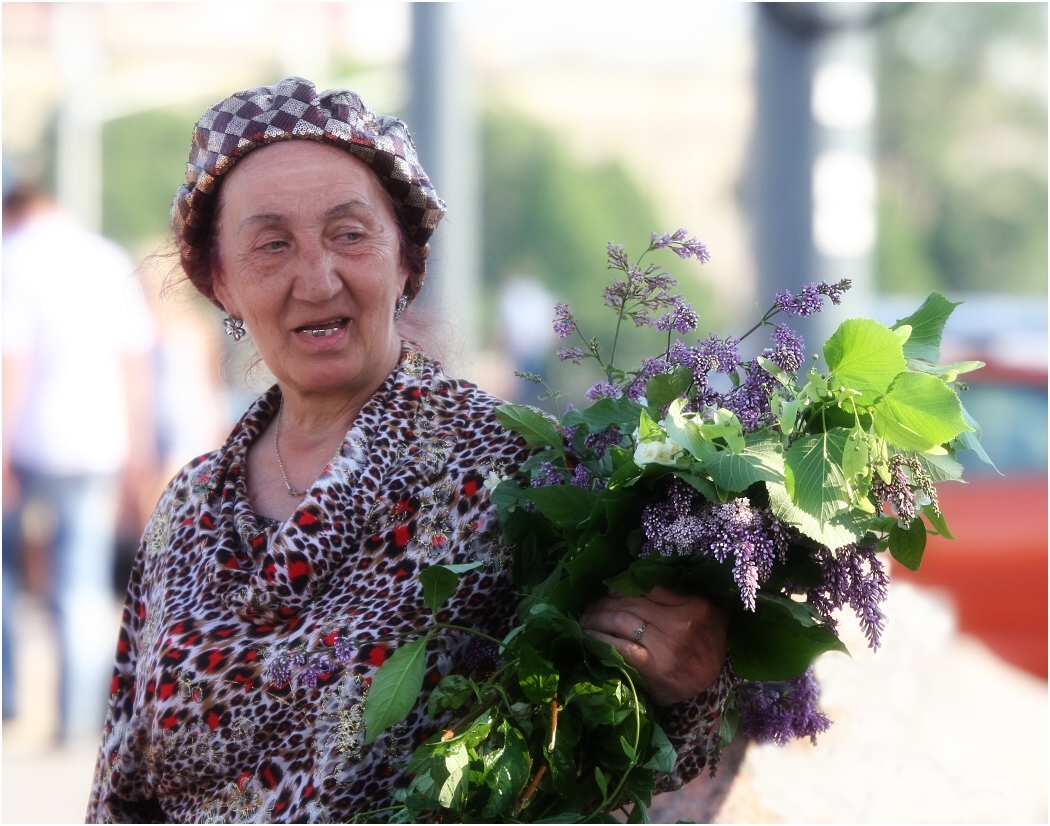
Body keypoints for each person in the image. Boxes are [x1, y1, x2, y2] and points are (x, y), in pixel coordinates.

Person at [86, 77, 730, 822]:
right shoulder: (189, 512)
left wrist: (690, 674)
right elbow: (122, 788)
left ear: (406, 261)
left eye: (349, 234)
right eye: (271, 246)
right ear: (221, 283)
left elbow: (629, 758)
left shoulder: (513, 476)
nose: (317, 278)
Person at [2, 184, 157, 743]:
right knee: (84, 584)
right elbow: (136, 362)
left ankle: (9, 701)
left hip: (25, 442)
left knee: (7, 575)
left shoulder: (12, 259)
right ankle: (77, 721)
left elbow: (10, 362)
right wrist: (138, 446)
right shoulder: (105, 258)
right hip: (99, 443)